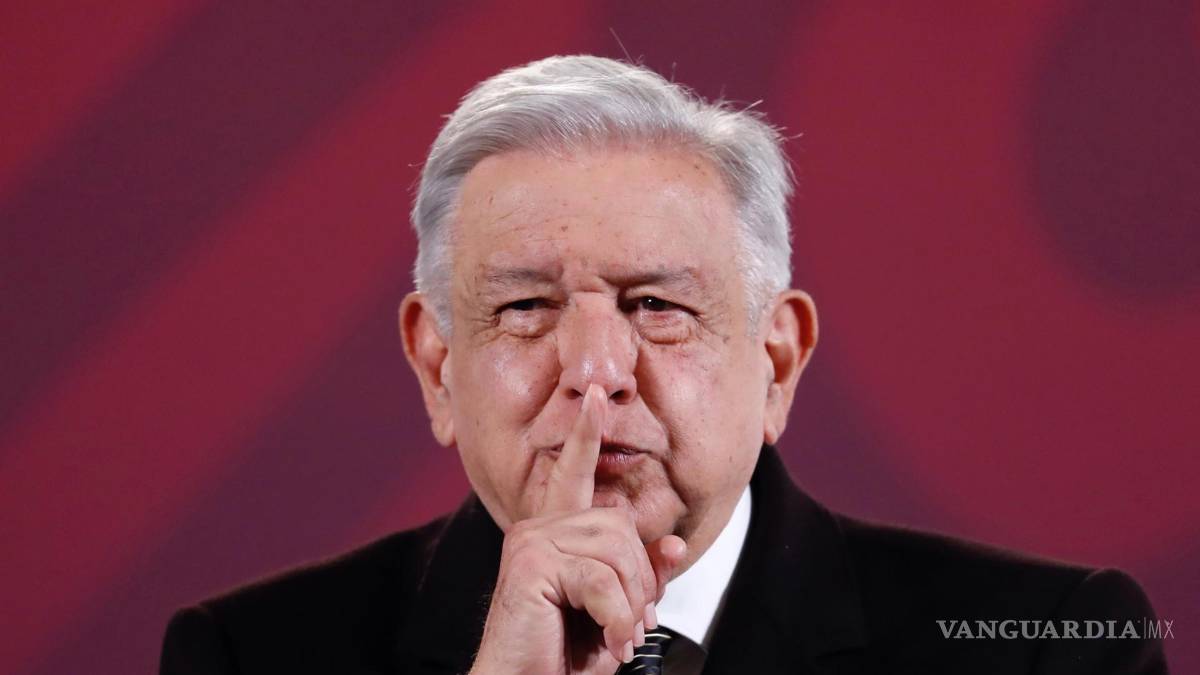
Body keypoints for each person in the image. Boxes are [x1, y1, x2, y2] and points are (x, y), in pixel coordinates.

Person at [159, 55, 1168, 675]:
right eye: (525, 308)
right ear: (436, 366)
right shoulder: (251, 655)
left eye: (657, 306)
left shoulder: (1050, 646)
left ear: (778, 361)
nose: (596, 371)